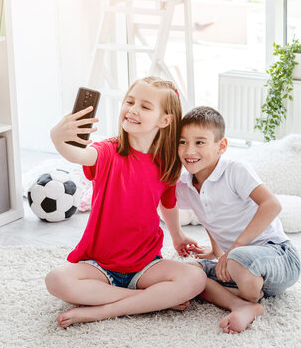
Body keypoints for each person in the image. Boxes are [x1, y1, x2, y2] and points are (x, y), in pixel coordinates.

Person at [45, 77, 207, 328]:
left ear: (165, 120)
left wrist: (178, 236)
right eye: (129, 101)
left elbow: (168, 204)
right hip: (99, 265)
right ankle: (147, 301)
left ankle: (101, 311)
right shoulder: (108, 150)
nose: (132, 109)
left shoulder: (167, 164)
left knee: (195, 278)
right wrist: (58, 139)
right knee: (56, 280)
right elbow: (80, 153)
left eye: (145, 106)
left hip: (145, 264)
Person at [174, 106, 301, 334]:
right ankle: (244, 304)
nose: (189, 150)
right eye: (182, 142)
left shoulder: (235, 170)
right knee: (186, 272)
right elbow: (208, 215)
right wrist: (211, 249)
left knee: (238, 258)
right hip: (237, 268)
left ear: (221, 146)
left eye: (200, 142)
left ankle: (246, 295)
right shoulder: (186, 184)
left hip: (279, 257)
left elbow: (272, 205)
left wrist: (234, 248)